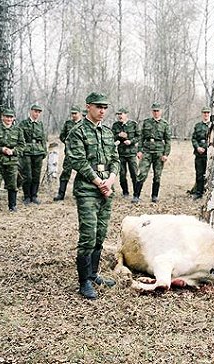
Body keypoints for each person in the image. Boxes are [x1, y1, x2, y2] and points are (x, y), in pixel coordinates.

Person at [65, 92, 119, 300]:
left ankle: (93, 274)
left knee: (100, 235)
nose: (102, 111)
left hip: (106, 189)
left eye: (105, 107)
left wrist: (111, 180)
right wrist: (99, 183)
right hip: (88, 189)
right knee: (88, 235)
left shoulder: (107, 132)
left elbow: (115, 158)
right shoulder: (77, 131)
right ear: (88, 107)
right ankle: (84, 282)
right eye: (98, 107)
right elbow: (77, 161)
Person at [0, 108, 26, 213]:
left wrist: (14, 151)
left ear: (14, 118)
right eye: (7, 117)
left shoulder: (18, 131)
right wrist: (1, 149)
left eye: (11, 117)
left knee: (12, 184)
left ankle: (12, 206)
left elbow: (22, 146)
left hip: (12, 161)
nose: (9, 119)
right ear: (2, 117)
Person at [133, 102, 171, 203]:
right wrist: (139, 151)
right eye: (154, 111)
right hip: (147, 151)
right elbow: (141, 138)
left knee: (157, 175)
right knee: (142, 173)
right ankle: (136, 196)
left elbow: (168, 140)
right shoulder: (146, 122)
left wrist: (166, 154)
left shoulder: (165, 124)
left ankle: (154, 196)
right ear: (152, 111)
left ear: (161, 112)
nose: (156, 113)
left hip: (159, 152)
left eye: (157, 111)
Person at [18, 103, 47, 205]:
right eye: (35, 111)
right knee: (27, 176)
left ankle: (34, 196)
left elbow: (43, 138)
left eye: (39, 112)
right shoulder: (23, 124)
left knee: (36, 175)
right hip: (27, 152)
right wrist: (21, 150)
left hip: (38, 152)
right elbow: (20, 138)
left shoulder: (40, 124)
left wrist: (44, 151)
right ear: (31, 111)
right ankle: (27, 196)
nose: (37, 114)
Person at [53, 106, 83, 201]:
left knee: (82, 174)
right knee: (65, 173)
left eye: (75, 113)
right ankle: (61, 194)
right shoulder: (68, 124)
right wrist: (67, 142)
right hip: (69, 153)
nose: (74, 115)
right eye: (72, 113)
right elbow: (62, 136)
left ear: (80, 113)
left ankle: (78, 194)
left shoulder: (84, 124)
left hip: (81, 154)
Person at [111, 107, 139, 198]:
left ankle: (136, 193)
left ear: (126, 114)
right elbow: (111, 138)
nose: (120, 116)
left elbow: (139, 136)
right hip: (121, 153)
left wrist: (131, 141)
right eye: (118, 114)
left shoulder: (133, 124)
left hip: (131, 153)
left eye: (121, 114)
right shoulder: (116, 125)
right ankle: (125, 192)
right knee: (122, 174)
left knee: (134, 174)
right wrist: (118, 135)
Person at [191, 106, 211, 200]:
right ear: (202, 114)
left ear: (210, 114)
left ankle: (208, 191)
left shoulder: (212, 126)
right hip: (199, 154)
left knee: (209, 174)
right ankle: (198, 192)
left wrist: (205, 147)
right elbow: (194, 138)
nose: (206, 114)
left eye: (207, 113)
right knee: (199, 173)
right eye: (204, 113)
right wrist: (197, 147)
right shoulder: (198, 125)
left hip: (209, 154)